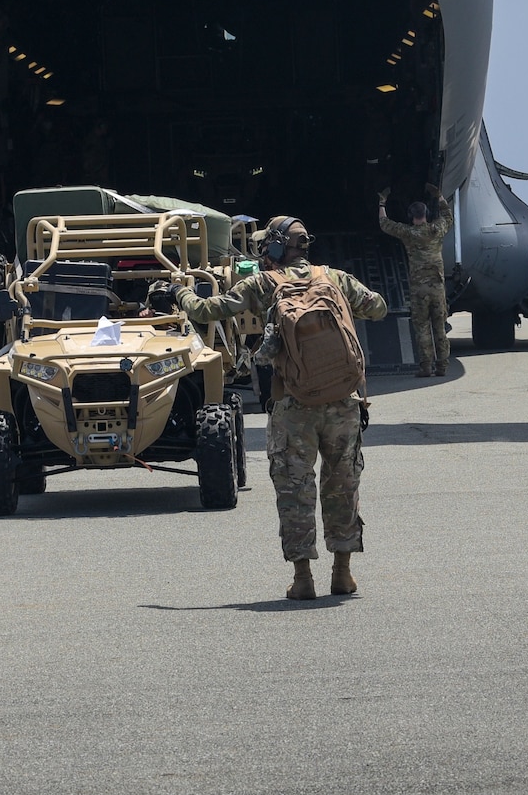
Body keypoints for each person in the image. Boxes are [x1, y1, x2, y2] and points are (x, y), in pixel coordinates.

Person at [175, 216, 389, 600]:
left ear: (274, 248)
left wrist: (181, 295)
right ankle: (343, 574)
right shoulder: (335, 278)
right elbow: (378, 308)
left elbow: (209, 310)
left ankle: (303, 579)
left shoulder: (262, 284)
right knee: (342, 485)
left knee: (295, 488)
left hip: (294, 404)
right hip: (343, 401)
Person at [379, 189, 454, 377]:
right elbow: (448, 216)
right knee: (439, 327)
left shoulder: (409, 233)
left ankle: (426, 367)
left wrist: (382, 203)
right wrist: (439, 196)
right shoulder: (437, 230)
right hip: (437, 288)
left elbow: (385, 224)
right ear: (426, 215)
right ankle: (443, 366)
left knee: (422, 328)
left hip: (418, 289)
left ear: (411, 217)